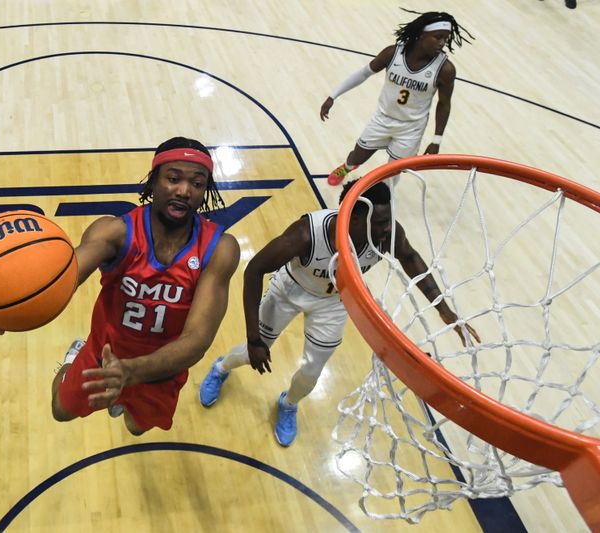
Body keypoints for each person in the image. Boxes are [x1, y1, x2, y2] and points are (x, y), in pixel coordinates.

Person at [0, 137, 240, 435]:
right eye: (173, 178)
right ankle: (72, 357)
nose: (184, 190)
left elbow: (197, 339)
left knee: (136, 428)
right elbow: (64, 274)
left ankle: (125, 399)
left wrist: (130, 372)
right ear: (154, 180)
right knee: (60, 411)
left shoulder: (220, 249)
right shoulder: (114, 232)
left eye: (197, 183)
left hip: (162, 369)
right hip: (102, 355)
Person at [199, 181, 479, 446]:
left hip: (333, 301)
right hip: (290, 290)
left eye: (387, 220)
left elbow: (409, 257)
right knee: (253, 352)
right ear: (354, 219)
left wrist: (445, 310)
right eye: (380, 222)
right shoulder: (307, 234)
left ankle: (288, 404)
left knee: (311, 371)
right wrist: (254, 339)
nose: (387, 228)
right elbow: (254, 269)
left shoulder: (387, 233)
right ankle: (221, 368)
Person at [321, 11, 472, 186]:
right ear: (422, 34)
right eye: (438, 37)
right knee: (358, 155)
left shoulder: (445, 70)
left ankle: (380, 203)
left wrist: (436, 140)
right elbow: (363, 73)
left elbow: (444, 104)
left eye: (445, 39)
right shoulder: (392, 53)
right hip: (382, 119)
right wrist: (333, 95)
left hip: (411, 128)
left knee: (391, 177)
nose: (442, 43)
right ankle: (346, 167)